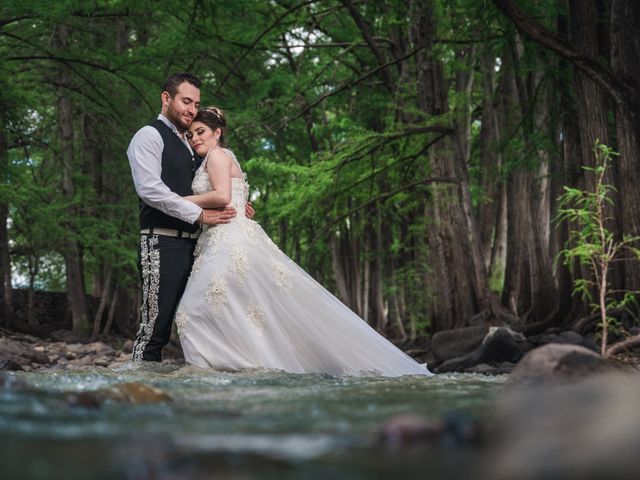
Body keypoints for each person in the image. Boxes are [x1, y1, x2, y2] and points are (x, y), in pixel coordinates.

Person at [175, 107, 432, 377]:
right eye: (191, 134)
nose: (195, 138)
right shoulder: (226, 157)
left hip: (228, 241)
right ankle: (245, 362)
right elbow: (234, 198)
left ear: (218, 132)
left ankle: (227, 366)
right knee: (242, 306)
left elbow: (222, 195)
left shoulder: (216, 155)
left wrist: (178, 201)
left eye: (201, 132)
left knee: (195, 310)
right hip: (229, 237)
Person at [127, 73, 254, 362]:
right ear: (166, 98)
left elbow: (215, 182)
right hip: (162, 243)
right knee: (154, 330)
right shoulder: (148, 136)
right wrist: (199, 214)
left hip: (200, 248)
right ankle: (138, 397)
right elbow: (150, 190)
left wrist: (240, 202)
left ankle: (197, 396)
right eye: (186, 101)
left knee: (201, 321)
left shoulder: (194, 143)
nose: (192, 110)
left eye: (195, 104)